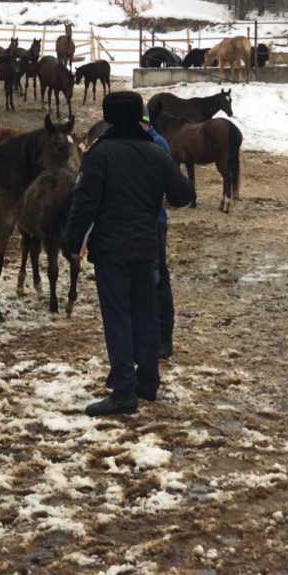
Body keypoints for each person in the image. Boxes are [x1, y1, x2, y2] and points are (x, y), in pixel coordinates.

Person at [66, 91, 193, 416]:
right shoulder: (155, 153)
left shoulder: (99, 155)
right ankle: (148, 382)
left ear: (109, 118)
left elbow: (84, 204)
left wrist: (71, 241)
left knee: (118, 317)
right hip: (146, 247)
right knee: (146, 313)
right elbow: (183, 194)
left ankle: (123, 391)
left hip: (110, 250)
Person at [140, 107, 175, 360]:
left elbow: (171, 188)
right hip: (134, 224)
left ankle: (164, 334)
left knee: (159, 278)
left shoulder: (157, 144)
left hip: (154, 222)